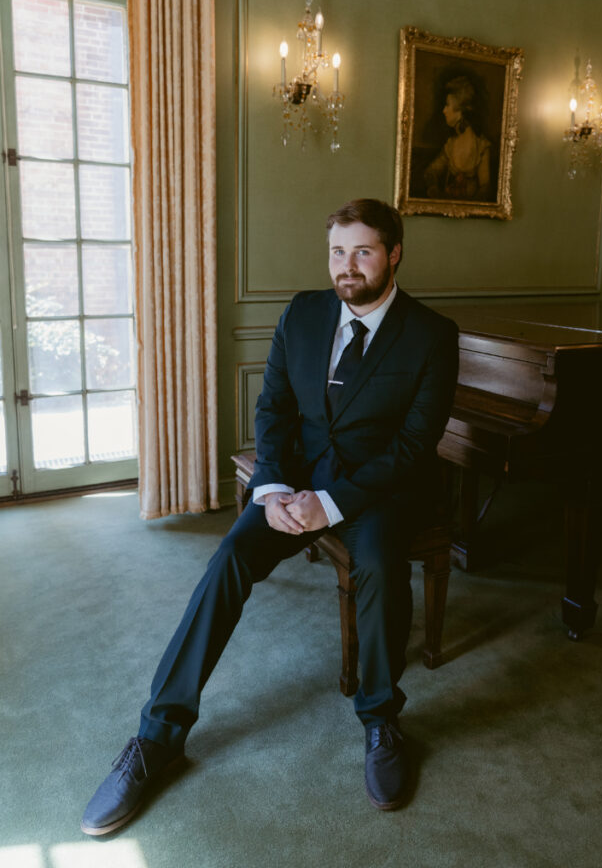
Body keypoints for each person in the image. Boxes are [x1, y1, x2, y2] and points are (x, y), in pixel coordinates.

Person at [81, 198, 459, 834]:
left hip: (377, 492)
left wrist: (332, 503)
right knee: (229, 557)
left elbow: (413, 447)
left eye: (363, 251)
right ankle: (158, 735)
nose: (347, 266)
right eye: (338, 251)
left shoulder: (430, 334)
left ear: (394, 254)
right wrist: (275, 489)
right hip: (295, 485)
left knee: (380, 566)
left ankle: (381, 720)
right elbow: (276, 410)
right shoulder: (303, 312)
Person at [424, 75, 492, 200]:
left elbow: (485, 187)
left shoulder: (481, 146)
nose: (444, 110)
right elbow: (431, 171)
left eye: (447, 105)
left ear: (460, 110)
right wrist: (434, 190)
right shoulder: (451, 143)